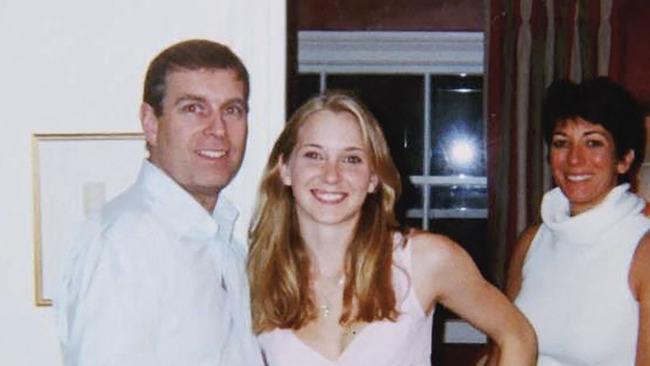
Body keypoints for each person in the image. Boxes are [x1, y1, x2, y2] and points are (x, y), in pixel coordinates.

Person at [248, 91, 537, 366]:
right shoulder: (252, 275)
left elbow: (517, 335)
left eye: (352, 159)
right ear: (285, 169)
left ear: (373, 177)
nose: (331, 175)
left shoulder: (424, 259)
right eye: (314, 155)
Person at [55, 39, 264, 366]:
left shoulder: (224, 244)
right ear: (151, 123)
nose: (218, 129)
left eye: (232, 110)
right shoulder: (124, 246)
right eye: (194, 108)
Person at [506, 77, 650, 365]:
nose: (574, 159)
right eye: (562, 143)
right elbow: (502, 347)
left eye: (593, 143)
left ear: (623, 160)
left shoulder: (643, 249)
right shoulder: (532, 241)